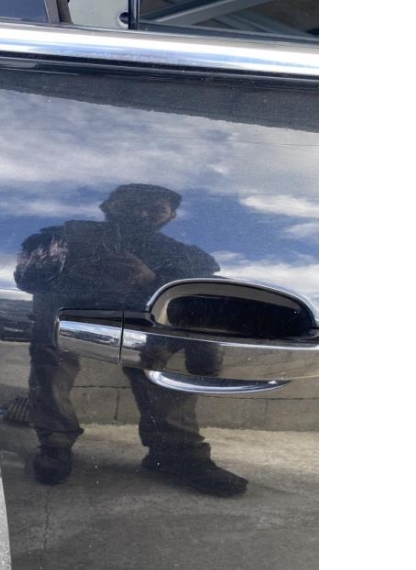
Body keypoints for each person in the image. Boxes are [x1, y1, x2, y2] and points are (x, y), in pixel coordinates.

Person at [13, 184, 247, 497]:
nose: (142, 213)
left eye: (155, 208)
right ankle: (55, 444)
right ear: (106, 206)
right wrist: (76, 269)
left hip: (147, 326)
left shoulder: (184, 254)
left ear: (171, 216)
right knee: (50, 357)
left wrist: (152, 279)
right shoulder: (64, 237)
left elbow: (199, 292)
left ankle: (177, 454)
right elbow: (26, 277)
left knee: (162, 365)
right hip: (72, 317)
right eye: (131, 205)